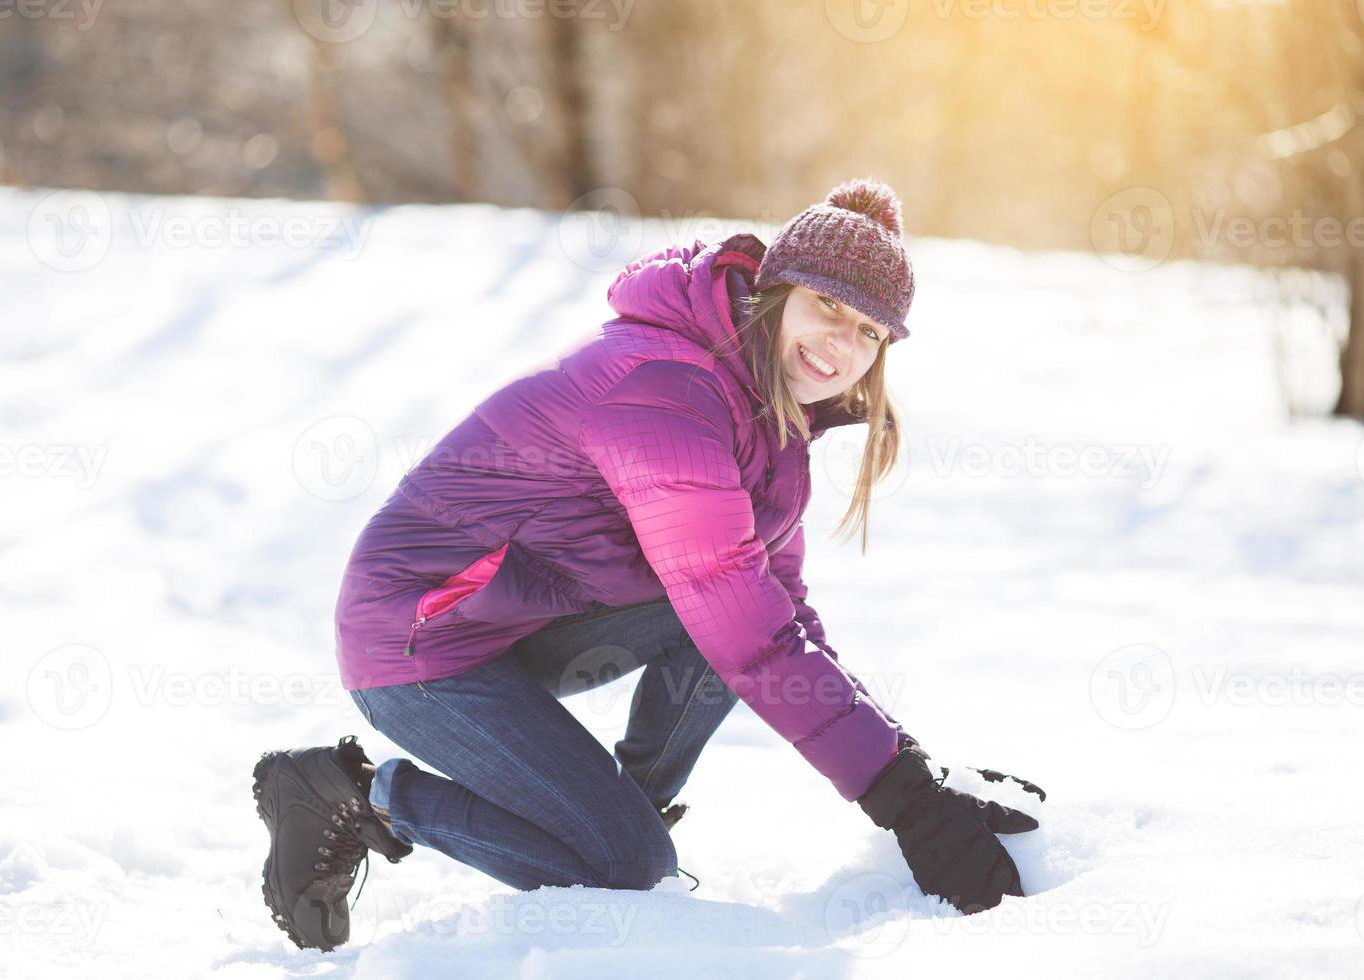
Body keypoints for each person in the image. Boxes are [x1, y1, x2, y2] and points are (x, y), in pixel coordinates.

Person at [252, 177, 1040, 952]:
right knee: (628, 865)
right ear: (776, 288)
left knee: (717, 649)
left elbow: (779, 615)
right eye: (828, 306)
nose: (842, 345)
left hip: (515, 618)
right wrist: (903, 805)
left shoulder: (768, 415)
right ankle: (363, 798)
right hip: (420, 640)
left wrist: (916, 777)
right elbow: (745, 629)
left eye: (870, 331)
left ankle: (615, 814)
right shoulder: (665, 390)